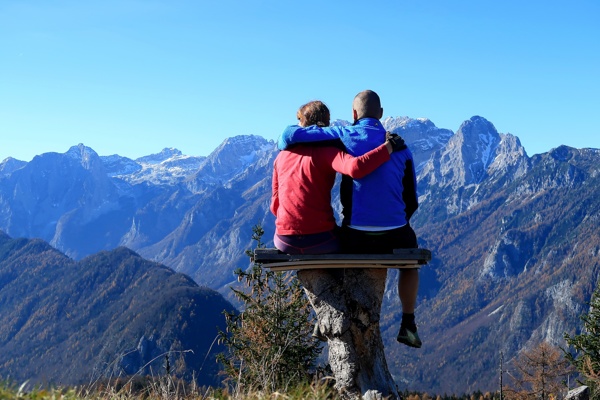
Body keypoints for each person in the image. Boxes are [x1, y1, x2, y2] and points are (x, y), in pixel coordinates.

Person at [277, 90, 422, 348]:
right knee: (411, 261)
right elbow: (412, 200)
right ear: (381, 114)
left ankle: (326, 316)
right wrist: (396, 223)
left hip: (355, 235)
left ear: (354, 115)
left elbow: (288, 136)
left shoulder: (343, 135)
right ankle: (408, 323)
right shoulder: (402, 147)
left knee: (334, 244)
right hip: (396, 232)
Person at [271, 100, 404, 255]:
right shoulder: (329, 152)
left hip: (284, 240)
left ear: (303, 123)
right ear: (326, 122)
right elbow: (357, 168)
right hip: (321, 239)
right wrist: (389, 146)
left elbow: (275, 205)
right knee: (351, 241)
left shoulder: (281, 157)